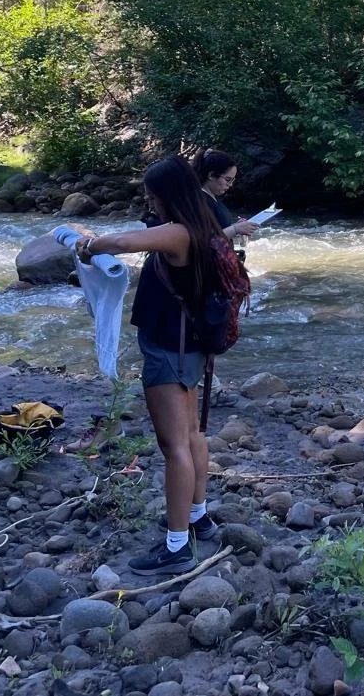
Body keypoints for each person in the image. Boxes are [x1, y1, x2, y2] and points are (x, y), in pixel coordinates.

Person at [76, 155, 224, 575]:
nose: (150, 202)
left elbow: (122, 244)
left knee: (173, 445)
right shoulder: (204, 224)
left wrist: (88, 245)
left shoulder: (178, 232)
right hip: (192, 348)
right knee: (192, 434)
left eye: (152, 195)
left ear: (166, 195)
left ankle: (176, 546)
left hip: (168, 350)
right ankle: (199, 516)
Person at [194, 149, 258, 242]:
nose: (230, 184)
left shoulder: (212, 197)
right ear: (211, 175)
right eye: (228, 180)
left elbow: (219, 229)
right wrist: (235, 229)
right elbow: (204, 239)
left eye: (232, 180)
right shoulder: (199, 201)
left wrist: (237, 227)